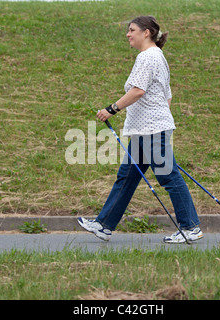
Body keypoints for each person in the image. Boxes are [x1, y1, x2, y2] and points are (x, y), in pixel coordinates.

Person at [78, 16, 202, 244]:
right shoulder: (158, 57)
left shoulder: (148, 56)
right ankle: (104, 225)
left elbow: (138, 91)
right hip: (145, 131)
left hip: (152, 131)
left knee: (169, 177)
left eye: (132, 30)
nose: (128, 34)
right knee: (126, 177)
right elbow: (167, 97)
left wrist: (111, 109)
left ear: (147, 32)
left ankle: (190, 227)